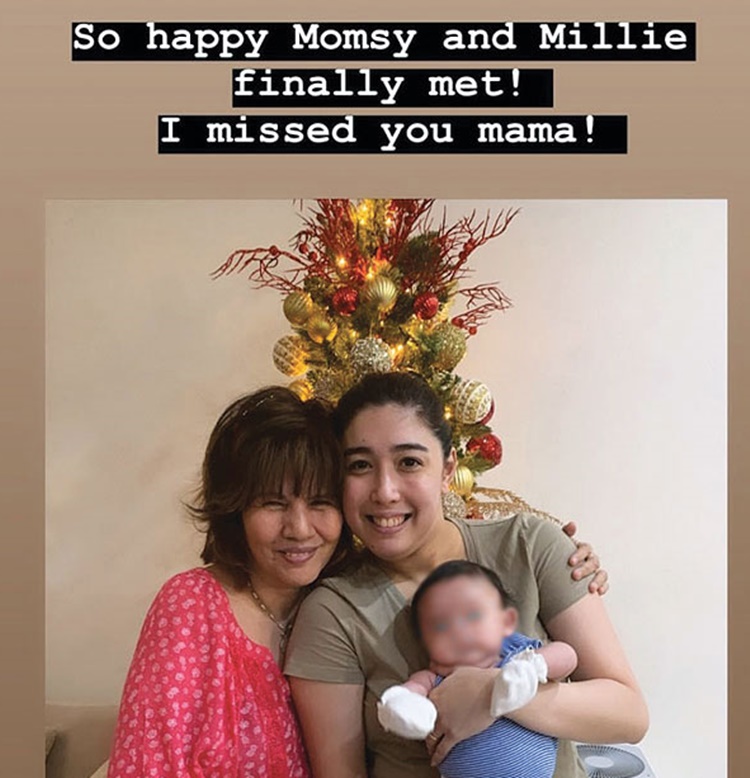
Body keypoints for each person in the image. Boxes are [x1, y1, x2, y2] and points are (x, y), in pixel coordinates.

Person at [285, 372, 648, 778]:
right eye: (360, 465)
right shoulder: (333, 613)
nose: (385, 491)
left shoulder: (529, 546)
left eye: (409, 462)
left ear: (447, 470)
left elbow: (629, 714)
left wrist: (492, 694)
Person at [106, 387, 353, 778]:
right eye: (273, 503)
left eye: (321, 502)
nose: (300, 528)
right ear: (236, 508)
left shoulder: (344, 606)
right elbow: (144, 766)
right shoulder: (191, 606)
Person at [377, 560, 578, 778]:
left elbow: (567, 655)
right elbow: (409, 693)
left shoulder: (519, 657)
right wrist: (403, 705)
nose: (459, 630)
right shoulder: (436, 680)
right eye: (440, 626)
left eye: (473, 616)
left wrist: (533, 667)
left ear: (505, 621)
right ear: (426, 646)